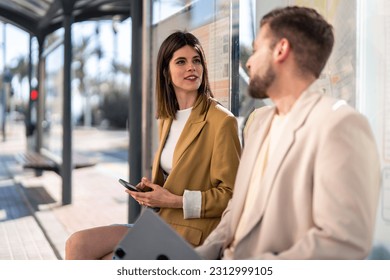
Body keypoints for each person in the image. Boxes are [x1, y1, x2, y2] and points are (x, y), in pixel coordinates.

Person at [195, 6, 381, 260]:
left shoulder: (340, 125)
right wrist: (196, 258)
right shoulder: (259, 123)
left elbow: (342, 243)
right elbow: (237, 209)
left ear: (281, 50)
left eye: (257, 49)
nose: (249, 61)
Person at [65, 31, 241, 260]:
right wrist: (151, 192)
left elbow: (232, 195)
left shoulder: (222, 121)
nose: (191, 67)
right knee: (77, 244)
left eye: (196, 61)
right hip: (161, 223)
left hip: (192, 236)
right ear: (166, 73)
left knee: (109, 260)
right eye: (181, 61)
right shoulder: (167, 118)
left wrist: (173, 200)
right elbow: (176, 177)